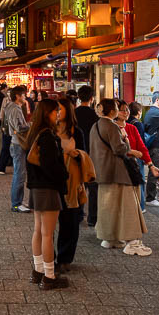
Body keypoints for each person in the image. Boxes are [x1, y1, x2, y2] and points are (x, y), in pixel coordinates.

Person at [90, 99, 151, 256]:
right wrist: (132, 150)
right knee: (128, 207)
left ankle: (110, 238)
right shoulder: (111, 126)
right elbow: (119, 148)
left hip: (102, 173)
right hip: (118, 173)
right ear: (111, 111)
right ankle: (132, 242)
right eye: (117, 108)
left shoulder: (95, 126)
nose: (119, 111)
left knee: (108, 207)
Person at [26, 99, 69, 290]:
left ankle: (38, 271)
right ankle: (49, 276)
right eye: (56, 112)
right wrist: (64, 175)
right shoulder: (48, 137)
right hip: (48, 188)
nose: (58, 115)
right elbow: (51, 166)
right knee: (47, 234)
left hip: (36, 187)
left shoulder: (33, 133)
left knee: (38, 230)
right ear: (48, 113)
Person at [55, 98, 91, 272]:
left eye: (59, 109)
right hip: (52, 182)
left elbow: (85, 154)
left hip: (73, 182)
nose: (56, 112)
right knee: (47, 223)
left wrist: (75, 154)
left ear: (68, 112)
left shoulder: (76, 132)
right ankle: (47, 258)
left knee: (70, 222)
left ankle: (64, 258)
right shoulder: (49, 131)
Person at [117, 101, 159, 212]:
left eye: (127, 109)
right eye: (122, 110)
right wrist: (131, 152)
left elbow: (142, 147)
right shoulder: (111, 128)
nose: (126, 112)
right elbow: (114, 148)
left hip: (133, 167)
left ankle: (139, 210)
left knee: (135, 198)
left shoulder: (132, 128)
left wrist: (151, 166)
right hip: (118, 170)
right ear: (115, 111)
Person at [3, 87, 31, 212]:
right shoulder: (15, 108)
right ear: (18, 96)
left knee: (19, 172)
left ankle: (18, 201)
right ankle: (16, 203)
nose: (25, 97)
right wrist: (31, 125)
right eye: (23, 95)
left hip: (15, 142)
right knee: (19, 173)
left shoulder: (11, 107)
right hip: (18, 143)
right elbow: (19, 127)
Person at [75, 85, 99, 226]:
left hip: (77, 155)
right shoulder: (95, 116)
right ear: (92, 98)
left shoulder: (73, 113)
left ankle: (78, 214)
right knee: (93, 188)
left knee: (78, 185)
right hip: (91, 155)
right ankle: (93, 218)